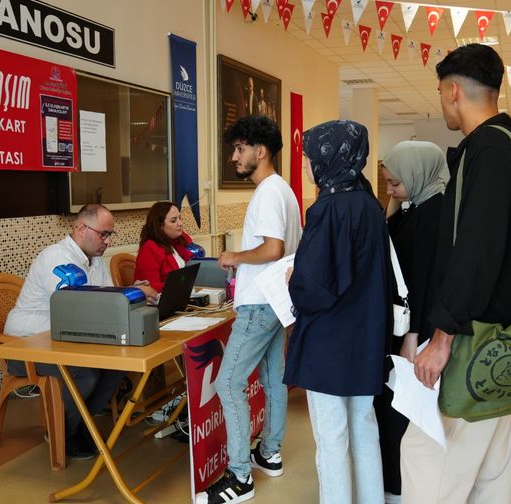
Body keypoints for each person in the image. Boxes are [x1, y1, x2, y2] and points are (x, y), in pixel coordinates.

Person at [402, 43, 511, 504]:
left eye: (440, 93)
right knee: (490, 467)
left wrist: (442, 338)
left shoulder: (486, 149)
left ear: (453, 91)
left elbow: (476, 251)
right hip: (506, 333)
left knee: (427, 455)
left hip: (474, 336)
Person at [283, 120, 391, 504]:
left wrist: (293, 278)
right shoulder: (369, 203)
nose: (306, 165)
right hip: (366, 335)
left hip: (330, 340)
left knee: (331, 437)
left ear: (328, 158)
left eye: (309, 157)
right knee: (364, 427)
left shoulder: (328, 208)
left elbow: (313, 287)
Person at [195, 115, 301, 504]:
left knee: (228, 383)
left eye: (240, 149)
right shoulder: (284, 191)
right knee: (274, 378)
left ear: (262, 151)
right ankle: (269, 452)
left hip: (260, 303)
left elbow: (273, 249)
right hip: (275, 302)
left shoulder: (268, 193)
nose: (234, 157)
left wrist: (234, 257)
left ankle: (239, 477)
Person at [4, 204, 154, 460]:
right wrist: (132, 292)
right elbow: (79, 306)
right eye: (103, 234)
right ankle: (63, 432)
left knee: (116, 366)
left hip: (63, 341)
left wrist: (129, 294)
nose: (107, 241)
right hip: (26, 346)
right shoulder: (56, 258)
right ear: (81, 228)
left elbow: (107, 302)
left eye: (110, 235)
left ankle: (81, 422)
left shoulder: (95, 261)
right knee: (85, 373)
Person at [374, 140, 448, 503]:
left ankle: (401, 490)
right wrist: (396, 202)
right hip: (404, 326)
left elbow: (425, 280)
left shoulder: (434, 214)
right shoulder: (416, 206)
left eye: (395, 183)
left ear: (418, 175)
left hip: (415, 331)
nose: (390, 190)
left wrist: (412, 336)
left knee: (403, 411)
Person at [135, 201, 194, 292]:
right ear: (160, 226)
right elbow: (150, 287)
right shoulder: (149, 248)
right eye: (173, 221)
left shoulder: (178, 241)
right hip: (161, 298)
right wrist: (180, 285)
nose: (180, 223)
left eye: (180, 218)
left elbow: (193, 267)